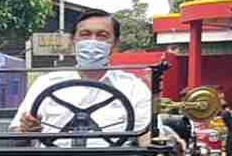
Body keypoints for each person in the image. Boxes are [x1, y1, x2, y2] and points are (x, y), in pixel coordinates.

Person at [12, 10, 152, 147]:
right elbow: (19, 131)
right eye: (85, 34)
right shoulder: (46, 82)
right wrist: (28, 127)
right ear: (74, 40)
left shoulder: (133, 87)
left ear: (115, 44)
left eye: (102, 36)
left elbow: (145, 137)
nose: (92, 41)